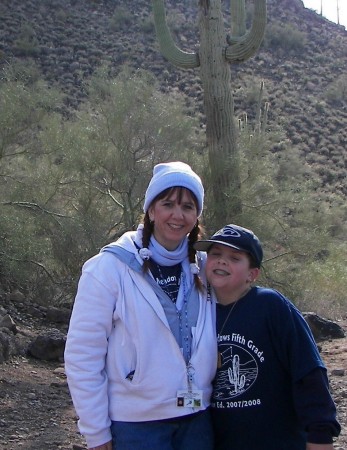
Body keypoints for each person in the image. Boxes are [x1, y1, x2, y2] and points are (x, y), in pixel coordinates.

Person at [64, 161, 217, 450]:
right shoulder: (109, 268)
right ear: (150, 210)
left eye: (187, 206)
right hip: (136, 425)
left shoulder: (207, 267)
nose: (177, 214)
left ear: (197, 215)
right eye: (167, 203)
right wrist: (96, 431)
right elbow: (83, 354)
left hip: (197, 418)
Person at [194, 224, 341, 450]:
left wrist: (320, 434)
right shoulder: (199, 310)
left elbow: (308, 371)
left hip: (279, 441)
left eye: (235, 258)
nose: (222, 261)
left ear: (252, 274)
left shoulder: (271, 306)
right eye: (215, 254)